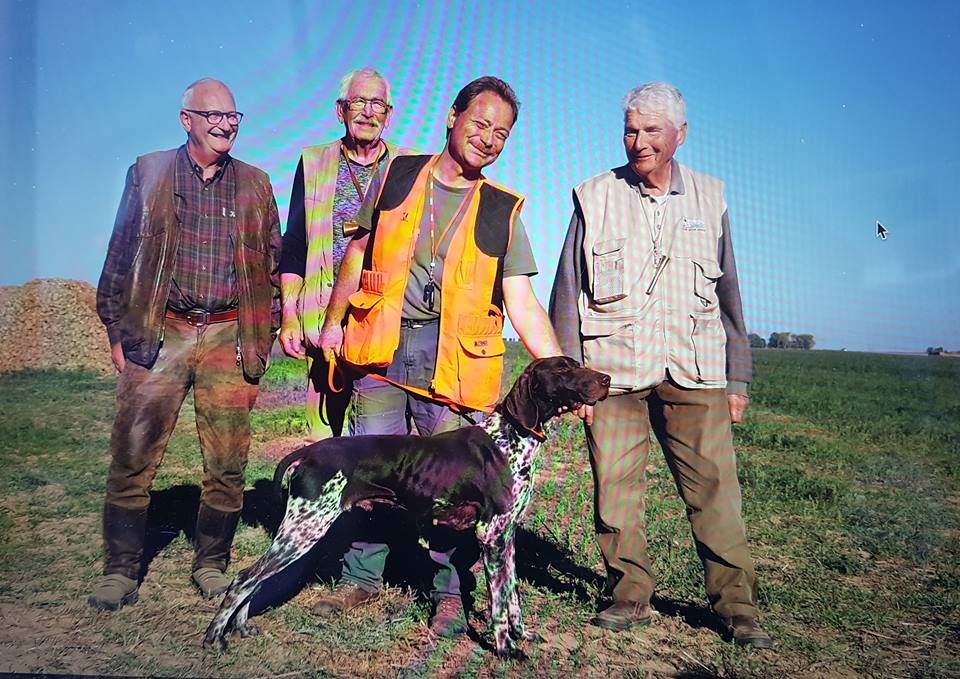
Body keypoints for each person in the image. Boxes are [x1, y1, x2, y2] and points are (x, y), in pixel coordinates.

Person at [315, 75, 562, 635]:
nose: (488, 139)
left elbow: (521, 300)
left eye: (501, 133)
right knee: (371, 468)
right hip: (381, 342)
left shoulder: (503, 210)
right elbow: (356, 257)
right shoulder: (397, 174)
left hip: (453, 358)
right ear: (451, 117)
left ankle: (449, 591)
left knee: (453, 482)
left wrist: (559, 372)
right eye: (479, 124)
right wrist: (333, 327)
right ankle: (362, 578)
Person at [549, 82, 773, 648]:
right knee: (615, 492)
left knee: (715, 493)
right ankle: (629, 594)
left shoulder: (711, 197)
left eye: (651, 130)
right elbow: (566, 294)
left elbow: (731, 299)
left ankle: (736, 608)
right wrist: (571, 380)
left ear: (681, 134)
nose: (638, 140)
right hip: (613, 375)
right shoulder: (593, 196)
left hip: (695, 371)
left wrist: (737, 378)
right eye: (630, 129)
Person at [90, 78, 281, 610]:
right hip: (161, 329)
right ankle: (121, 570)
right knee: (133, 454)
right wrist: (116, 330)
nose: (225, 125)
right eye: (213, 115)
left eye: (233, 117)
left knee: (228, 461)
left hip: (228, 331)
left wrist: (264, 335)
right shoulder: (148, 172)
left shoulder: (256, 184)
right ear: (187, 119)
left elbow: (272, 265)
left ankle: (212, 564)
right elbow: (120, 253)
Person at [278, 68, 412, 441]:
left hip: (386, 326)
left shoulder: (409, 166)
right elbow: (295, 245)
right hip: (326, 322)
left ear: (389, 114)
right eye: (359, 103)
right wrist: (289, 315)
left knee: (378, 440)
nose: (368, 113)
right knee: (325, 441)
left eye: (378, 105)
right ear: (341, 111)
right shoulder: (313, 163)